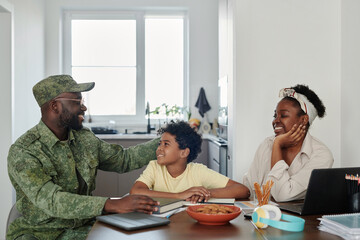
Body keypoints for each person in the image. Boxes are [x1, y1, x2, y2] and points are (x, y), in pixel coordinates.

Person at [7, 75, 160, 240]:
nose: (84, 107)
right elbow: (52, 200)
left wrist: (165, 140)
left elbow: (124, 159)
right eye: (77, 102)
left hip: (81, 229)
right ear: (54, 106)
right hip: (38, 233)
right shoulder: (23, 151)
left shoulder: (84, 138)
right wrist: (111, 204)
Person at [243, 84, 334, 202]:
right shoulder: (267, 145)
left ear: (304, 120)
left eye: (283, 115)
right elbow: (249, 188)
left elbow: (281, 195)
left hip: (300, 220)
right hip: (260, 218)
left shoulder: (321, 155)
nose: (275, 121)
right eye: (275, 115)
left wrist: (277, 145)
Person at [130, 121, 250, 203]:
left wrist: (206, 193)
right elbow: (135, 192)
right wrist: (179, 196)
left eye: (166, 144)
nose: (159, 148)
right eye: (159, 144)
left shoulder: (198, 171)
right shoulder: (154, 167)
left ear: (184, 153)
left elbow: (243, 190)